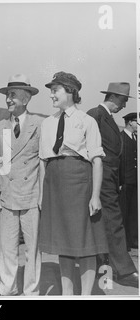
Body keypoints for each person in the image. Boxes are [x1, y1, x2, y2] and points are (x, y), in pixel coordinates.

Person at [39, 72, 108, 295]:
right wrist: (42, 195)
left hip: (80, 183)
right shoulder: (47, 123)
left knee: (85, 242)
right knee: (63, 243)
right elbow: (43, 162)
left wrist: (95, 195)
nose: (51, 95)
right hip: (54, 184)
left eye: (55, 90)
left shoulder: (87, 122)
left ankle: (85, 295)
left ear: (70, 91)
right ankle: (67, 295)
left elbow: (97, 161)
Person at [0, 74, 43, 296]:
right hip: (8, 194)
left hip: (32, 194)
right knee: (7, 247)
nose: (8, 100)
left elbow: (43, 162)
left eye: (12, 96)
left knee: (32, 249)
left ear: (26, 98)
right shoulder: (0, 125)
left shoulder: (39, 124)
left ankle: (31, 291)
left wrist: (42, 195)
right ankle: (8, 290)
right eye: (7, 96)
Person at [87, 83, 138, 288]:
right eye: (124, 100)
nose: (125, 105)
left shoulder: (108, 118)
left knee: (107, 223)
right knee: (114, 222)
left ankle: (106, 266)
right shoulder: (95, 115)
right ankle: (125, 271)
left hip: (111, 179)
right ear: (114, 97)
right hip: (102, 177)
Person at [119, 112, 138, 250]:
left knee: (133, 212)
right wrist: (119, 182)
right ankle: (123, 242)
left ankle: (133, 240)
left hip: (134, 182)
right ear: (130, 122)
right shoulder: (121, 138)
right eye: (137, 122)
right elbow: (119, 161)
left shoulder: (135, 138)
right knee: (123, 212)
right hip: (124, 182)